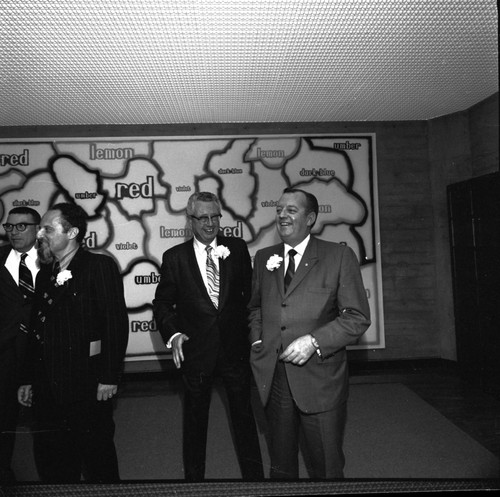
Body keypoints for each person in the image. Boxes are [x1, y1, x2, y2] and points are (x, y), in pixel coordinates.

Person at [248, 188, 371, 479]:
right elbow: (255, 308)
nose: (282, 215)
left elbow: (357, 317)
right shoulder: (264, 258)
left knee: (326, 466)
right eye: (279, 209)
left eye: (291, 210)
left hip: (320, 381)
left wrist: (314, 341)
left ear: (311, 218)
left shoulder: (338, 256)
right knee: (280, 466)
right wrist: (257, 339)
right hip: (275, 379)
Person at [153, 192, 263, 482]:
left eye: (215, 216)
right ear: (190, 221)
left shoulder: (237, 249)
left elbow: (250, 299)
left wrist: (255, 336)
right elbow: (162, 304)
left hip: (234, 351)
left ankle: (256, 483)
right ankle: (194, 484)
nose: (211, 223)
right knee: (194, 423)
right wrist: (174, 333)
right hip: (196, 354)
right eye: (203, 217)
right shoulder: (174, 258)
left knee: (244, 419)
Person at [17, 202, 129, 483]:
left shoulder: (99, 266)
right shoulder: (44, 274)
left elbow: (114, 324)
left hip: (87, 386)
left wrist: (109, 376)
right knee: (52, 463)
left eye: (48, 228)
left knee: (97, 462)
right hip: (47, 390)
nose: (40, 234)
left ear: (73, 232)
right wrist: (29, 378)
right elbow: (36, 331)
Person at [0, 207, 40, 484]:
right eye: (9, 226)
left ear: (38, 228)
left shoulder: (54, 259)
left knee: (45, 419)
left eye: (21, 226)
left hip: (42, 353)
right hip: (5, 355)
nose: (13, 232)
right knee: (4, 419)